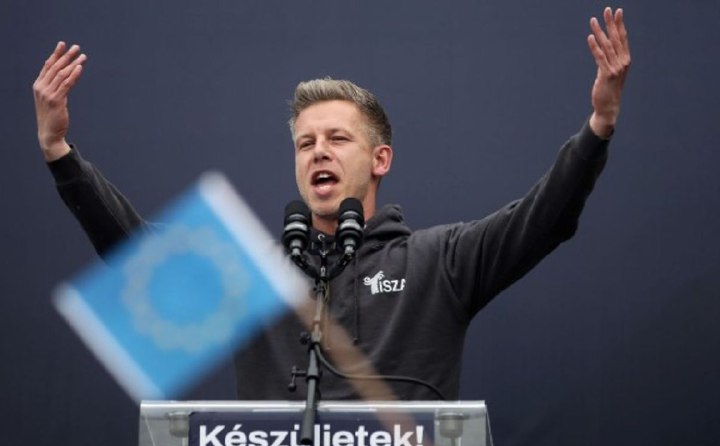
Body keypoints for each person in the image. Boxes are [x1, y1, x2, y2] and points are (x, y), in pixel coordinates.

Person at [33, 8, 630, 400]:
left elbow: (543, 218)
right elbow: (143, 252)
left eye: (338, 138)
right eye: (305, 143)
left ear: (380, 159)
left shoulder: (440, 261)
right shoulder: (255, 273)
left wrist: (599, 125)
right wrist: (60, 153)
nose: (318, 151)